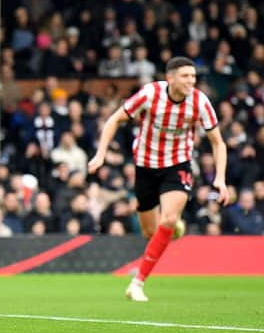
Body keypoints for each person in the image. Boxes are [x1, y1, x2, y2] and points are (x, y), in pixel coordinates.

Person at [88, 57, 229, 302]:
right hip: (145, 166)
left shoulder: (200, 102)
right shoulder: (150, 94)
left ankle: (137, 283)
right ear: (171, 78)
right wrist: (100, 154)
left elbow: (218, 143)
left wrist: (221, 178)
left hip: (178, 165)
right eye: (185, 76)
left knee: (168, 218)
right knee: (150, 231)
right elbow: (114, 119)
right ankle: (173, 227)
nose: (191, 81)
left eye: (193, 77)